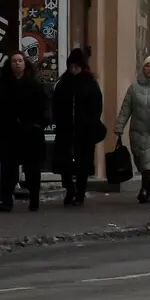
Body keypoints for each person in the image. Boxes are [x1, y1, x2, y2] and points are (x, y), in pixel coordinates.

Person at [0, 51, 48, 211]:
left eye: (20, 60)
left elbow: (44, 107)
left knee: (32, 168)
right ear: (9, 65)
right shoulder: (3, 85)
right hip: (9, 133)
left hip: (30, 133)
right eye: (14, 61)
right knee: (8, 168)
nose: (17, 63)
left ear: (25, 63)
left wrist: (38, 125)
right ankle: (7, 200)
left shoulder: (34, 85)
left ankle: (34, 198)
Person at [51, 49, 104, 206]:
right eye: (71, 66)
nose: (73, 69)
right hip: (65, 129)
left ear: (82, 66)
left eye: (76, 66)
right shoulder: (63, 84)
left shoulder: (90, 83)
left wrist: (90, 121)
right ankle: (69, 190)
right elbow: (56, 105)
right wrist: (58, 121)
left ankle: (80, 193)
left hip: (84, 130)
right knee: (64, 163)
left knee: (83, 162)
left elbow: (97, 105)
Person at [115, 54, 150, 205]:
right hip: (137, 130)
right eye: (147, 65)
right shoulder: (134, 87)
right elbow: (126, 108)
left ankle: (144, 189)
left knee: (149, 161)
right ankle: (148, 188)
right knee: (141, 160)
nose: (149, 69)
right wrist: (119, 126)